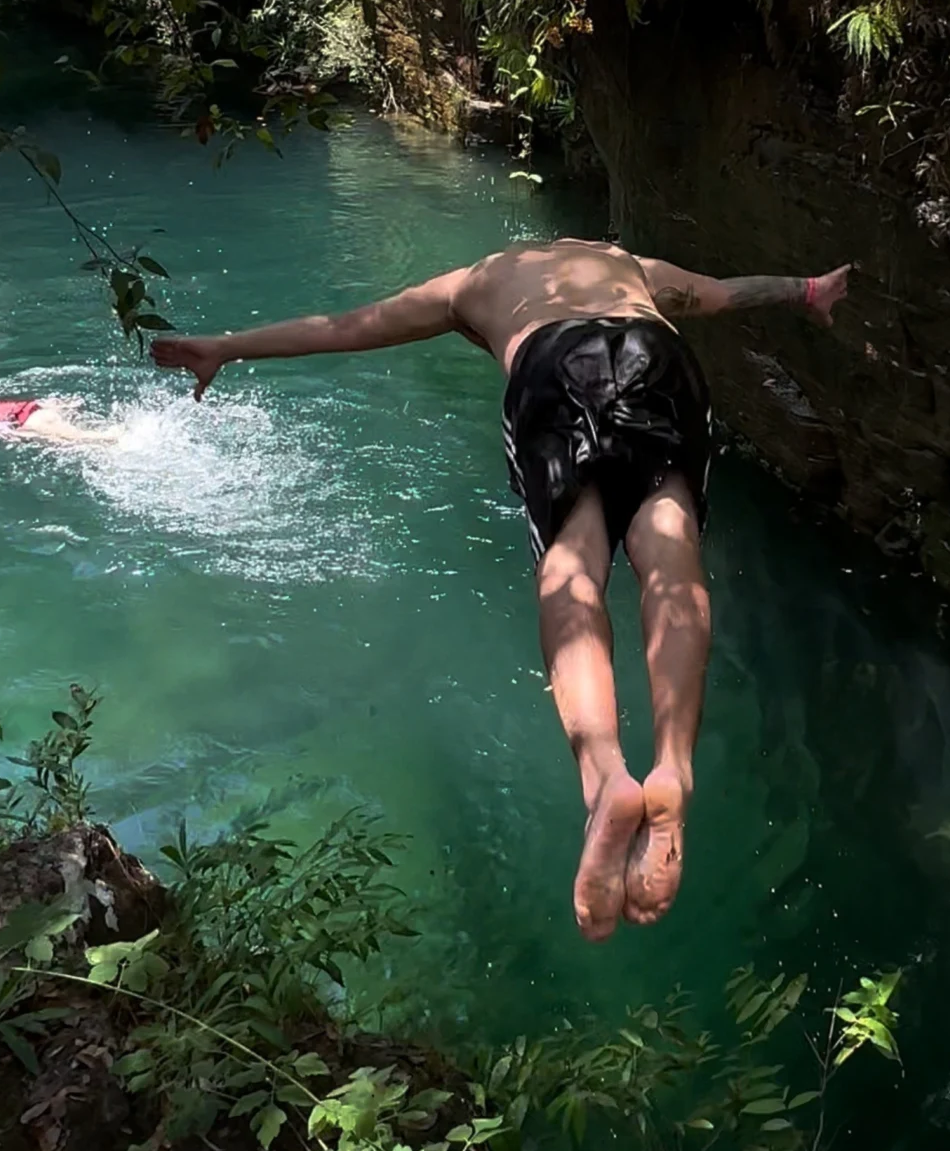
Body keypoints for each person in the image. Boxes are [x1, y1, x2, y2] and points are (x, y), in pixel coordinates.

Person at [151, 238, 852, 941]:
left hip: (553, 365)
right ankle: (675, 766)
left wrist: (227, 345)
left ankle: (605, 776)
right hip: (654, 353)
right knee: (669, 554)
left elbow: (348, 327)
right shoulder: (625, 264)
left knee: (571, 568)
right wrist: (810, 288)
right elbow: (731, 292)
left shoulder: (475, 281)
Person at [0, 395, 121, 447]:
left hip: (35, 422)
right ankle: (111, 436)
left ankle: (114, 437)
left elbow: (5, 431)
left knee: (76, 439)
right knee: (72, 436)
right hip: (43, 412)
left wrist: (23, 435)